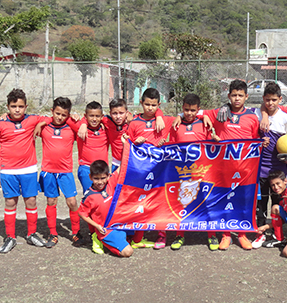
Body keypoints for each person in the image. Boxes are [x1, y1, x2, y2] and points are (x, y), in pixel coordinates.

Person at [199, 79, 260, 251]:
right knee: (224, 199)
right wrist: (208, 114)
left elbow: (254, 141)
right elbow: (197, 112)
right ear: (228, 96)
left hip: (245, 168)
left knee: (243, 201)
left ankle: (242, 234)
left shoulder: (252, 117)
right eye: (233, 95)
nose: (237, 99)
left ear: (246, 97)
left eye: (240, 95)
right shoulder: (220, 112)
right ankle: (226, 235)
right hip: (224, 167)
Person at [250, 83, 287, 249]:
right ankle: (260, 234)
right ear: (263, 99)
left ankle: (278, 234)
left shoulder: (285, 118)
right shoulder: (256, 114)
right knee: (261, 203)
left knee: (279, 204)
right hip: (260, 167)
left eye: (274, 100)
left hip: (279, 170)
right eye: (267, 100)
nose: (270, 103)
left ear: (280, 99)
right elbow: (249, 135)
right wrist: (259, 142)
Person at [0, 88, 46, 253]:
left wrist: (41, 123)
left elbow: (53, 119)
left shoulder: (33, 119)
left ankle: (32, 234)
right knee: (10, 202)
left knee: (31, 201)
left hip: (28, 170)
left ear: (26, 106)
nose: (17, 109)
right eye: (14, 106)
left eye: (20, 106)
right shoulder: (0, 124)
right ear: (8, 107)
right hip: (8, 172)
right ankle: (10, 237)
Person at [168, 93, 220, 251]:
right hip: (183, 173)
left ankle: (212, 234)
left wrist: (216, 140)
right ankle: (179, 235)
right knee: (182, 202)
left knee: (207, 202)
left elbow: (213, 143)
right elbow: (170, 146)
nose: (189, 113)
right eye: (186, 110)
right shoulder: (176, 125)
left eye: (192, 110)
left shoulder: (205, 123)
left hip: (203, 171)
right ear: (182, 108)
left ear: (198, 110)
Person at [126, 88, 175, 250]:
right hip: (141, 171)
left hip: (160, 170)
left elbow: (187, 117)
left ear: (158, 104)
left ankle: (162, 233)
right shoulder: (134, 123)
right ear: (141, 103)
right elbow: (127, 145)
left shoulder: (165, 120)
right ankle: (138, 234)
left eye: (154, 105)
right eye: (147, 104)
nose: (150, 108)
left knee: (161, 201)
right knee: (140, 200)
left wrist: (160, 115)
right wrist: (135, 141)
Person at [35, 97, 83, 248]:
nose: (60, 117)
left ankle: (76, 232)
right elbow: (28, 120)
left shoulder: (71, 128)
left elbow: (83, 125)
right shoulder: (44, 127)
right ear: (52, 111)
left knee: (72, 202)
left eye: (64, 115)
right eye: (57, 113)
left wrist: (75, 119)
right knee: (51, 201)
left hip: (65, 172)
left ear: (68, 115)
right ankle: (53, 233)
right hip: (48, 172)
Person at [77, 98, 166, 173]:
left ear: (127, 113)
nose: (118, 116)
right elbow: (91, 117)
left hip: (133, 162)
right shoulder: (106, 120)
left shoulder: (133, 121)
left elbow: (155, 111)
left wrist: (159, 116)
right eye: (115, 113)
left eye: (121, 113)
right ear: (110, 113)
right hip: (116, 163)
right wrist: (83, 124)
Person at [78, 160, 134, 257]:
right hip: (106, 229)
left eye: (103, 178)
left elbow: (122, 166)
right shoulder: (89, 196)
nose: (100, 182)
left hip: (118, 223)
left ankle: (126, 239)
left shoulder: (110, 182)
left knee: (139, 218)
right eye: (96, 178)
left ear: (108, 176)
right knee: (128, 252)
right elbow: (82, 214)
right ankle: (100, 239)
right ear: (90, 177)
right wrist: (97, 226)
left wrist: (129, 146)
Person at [76, 101, 109, 194]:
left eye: (97, 116)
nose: (94, 119)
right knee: (90, 196)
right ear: (85, 116)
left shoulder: (106, 128)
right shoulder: (79, 128)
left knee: (104, 197)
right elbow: (66, 118)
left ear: (102, 117)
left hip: (103, 169)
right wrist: (83, 123)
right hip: (86, 168)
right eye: (91, 116)